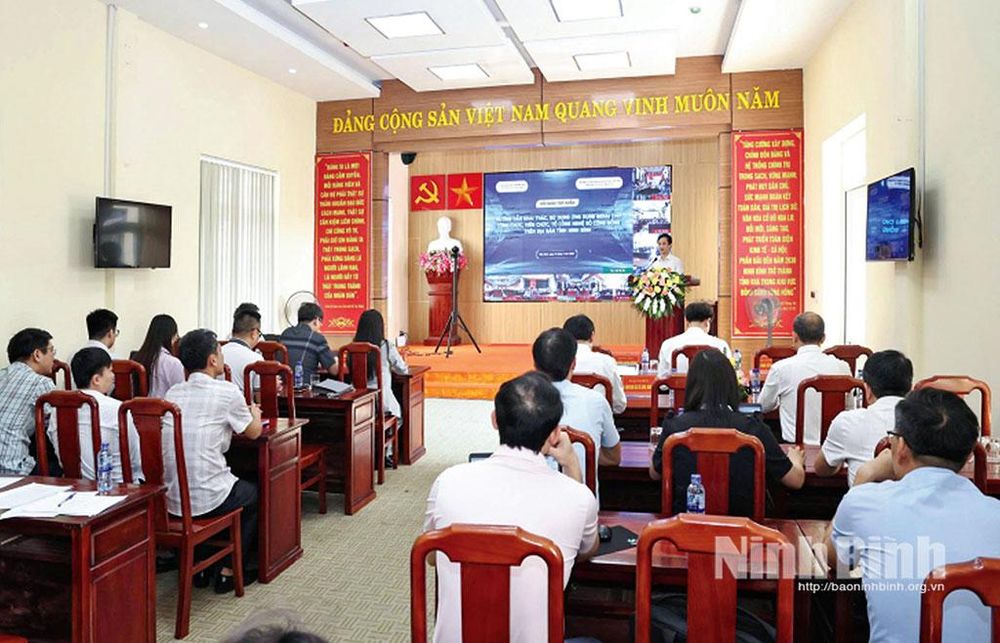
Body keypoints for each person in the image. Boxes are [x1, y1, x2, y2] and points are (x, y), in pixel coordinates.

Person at [423, 371, 599, 643]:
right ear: (555, 434)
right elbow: (587, 549)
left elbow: (433, 556)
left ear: (495, 420)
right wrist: (572, 465)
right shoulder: (577, 497)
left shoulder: (447, 481)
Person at [825, 388, 1000, 642]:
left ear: (901, 447)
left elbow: (837, 560)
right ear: (968, 456)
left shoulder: (866, 503)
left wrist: (864, 477)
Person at [165, 329, 263, 593]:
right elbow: (254, 433)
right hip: (208, 497)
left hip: (173, 498)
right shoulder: (227, 391)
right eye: (220, 351)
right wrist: (254, 413)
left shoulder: (173, 393)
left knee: (224, 485)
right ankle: (229, 570)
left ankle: (200, 564)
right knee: (253, 493)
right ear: (212, 360)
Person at [650, 349, 804, 515]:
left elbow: (655, 473)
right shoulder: (753, 428)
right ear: (731, 384)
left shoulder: (675, 427)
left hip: (685, 524)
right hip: (743, 526)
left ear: (691, 385)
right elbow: (795, 480)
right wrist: (795, 460)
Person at [532, 328, 621, 491]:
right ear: (573, 363)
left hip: (529, 504)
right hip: (584, 504)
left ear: (535, 366)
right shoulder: (595, 401)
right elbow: (613, 457)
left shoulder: (519, 404)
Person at [814, 350, 912, 486]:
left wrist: (838, 458)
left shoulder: (848, 422)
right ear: (910, 388)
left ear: (867, 390)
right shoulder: (928, 423)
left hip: (863, 498)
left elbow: (822, 469)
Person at [47, 347, 142, 482]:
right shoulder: (118, 409)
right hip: (116, 487)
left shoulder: (57, 410)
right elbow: (136, 460)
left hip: (73, 485)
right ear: (96, 379)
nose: (113, 376)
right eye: (110, 371)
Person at [758, 312, 852, 443]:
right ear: (823, 338)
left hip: (796, 449)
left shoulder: (781, 368)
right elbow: (849, 408)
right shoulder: (842, 367)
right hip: (834, 448)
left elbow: (763, 406)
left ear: (794, 337)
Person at [0, 328, 56, 475]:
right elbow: (56, 427)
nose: (54, 357)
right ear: (37, 355)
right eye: (52, 351)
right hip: (12, 469)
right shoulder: (41, 383)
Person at [563, 314, 627, 414]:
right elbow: (619, 405)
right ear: (592, 335)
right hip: (598, 421)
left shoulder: (557, 361)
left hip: (563, 422)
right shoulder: (607, 361)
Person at [352, 309, 408, 421]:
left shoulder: (352, 347)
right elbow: (403, 370)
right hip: (382, 405)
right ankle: (387, 431)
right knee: (401, 419)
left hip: (358, 404)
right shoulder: (386, 346)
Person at [656, 302, 732, 376]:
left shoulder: (668, 344)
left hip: (678, 385)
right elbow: (728, 375)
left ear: (687, 322)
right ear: (707, 322)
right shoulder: (720, 345)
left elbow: (662, 377)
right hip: (711, 385)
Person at [133, 314, 185, 398]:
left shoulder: (136, 358)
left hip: (136, 406)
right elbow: (182, 394)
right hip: (164, 405)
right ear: (172, 337)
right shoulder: (173, 363)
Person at [279, 303, 337, 377]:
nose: (321, 325)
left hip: (282, 383)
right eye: (320, 321)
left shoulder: (285, 333)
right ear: (316, 320)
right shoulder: (317, 338)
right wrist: (336, 360)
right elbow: (334, 370)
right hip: (304, 383)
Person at [223, 307, 263, 394]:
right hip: (243, 403)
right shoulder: (256, 359)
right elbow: (259, 397)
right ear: (254, 333)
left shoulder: (217, 355)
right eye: (259, 334)